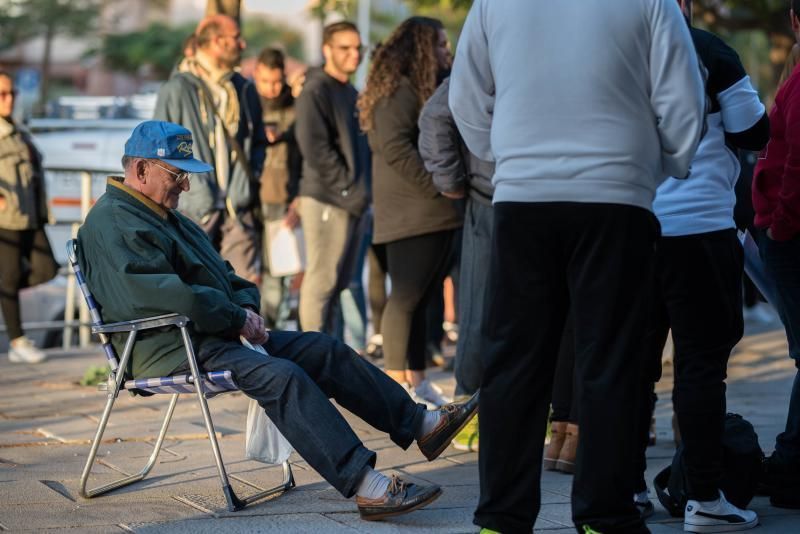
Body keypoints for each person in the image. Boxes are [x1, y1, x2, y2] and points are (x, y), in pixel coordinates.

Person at [76, 120, 479, 521]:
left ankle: (421, 424)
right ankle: (366, 485)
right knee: (281, 376)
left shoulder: (162, 214)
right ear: (141, 170)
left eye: (187, 176)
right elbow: (162, 295)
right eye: (178, 175)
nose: (186, 186)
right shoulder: (113, 221)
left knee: (323, 349)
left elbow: (227, 274)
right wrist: (235, 316)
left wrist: (246, 310)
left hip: (209, 334)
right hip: (169, 347)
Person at [449, 0, 706, 532]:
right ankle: (605, 515)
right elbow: (683, 99)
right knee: (610, 362)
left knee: (513, 364)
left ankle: (502, 516)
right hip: (617, 198)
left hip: (524, 197)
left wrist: (507, 159)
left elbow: (466, 96)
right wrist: (659, 167)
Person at [631, 1, 769, 530]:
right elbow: (754, 133)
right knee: (702, 367)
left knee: (631, 366)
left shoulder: (613, 51)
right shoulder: (710, 49)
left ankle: (625, 488)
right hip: (701, 229)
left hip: (633, 229)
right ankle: (705, 498)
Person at [358, 17, 461, 408]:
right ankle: (395, 384)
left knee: (420, 300)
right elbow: (396, 148)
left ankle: (416, 380)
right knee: (403, 299)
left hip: (432, 214)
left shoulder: (422, 87)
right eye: (438, 45)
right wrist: (438, 186)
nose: (444, 52)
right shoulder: (396, 92)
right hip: (410, 214)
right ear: (418, 48)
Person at [154, 14, 266, 283]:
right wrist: (186, 196)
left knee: (244, 296)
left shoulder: (242, 88)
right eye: (236, 38)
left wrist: (246, 189)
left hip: (237, 212)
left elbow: (258, 143)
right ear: (217, 41)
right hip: (195, 212)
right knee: (199, 294)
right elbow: (159, 149)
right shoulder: (178, 88)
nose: (242, 44)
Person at [418, 75, 495, 448]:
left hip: (531, 191)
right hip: (493, 194)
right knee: (480, 305)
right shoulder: (493, 41)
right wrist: (452, 180)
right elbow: (435, 116)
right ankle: (468, 409)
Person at [751, 0, 800, 511]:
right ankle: (789, 466)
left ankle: (788, 464)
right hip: (785, 233)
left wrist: (781, 226)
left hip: (787, 232)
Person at [294, 21, 370, 335]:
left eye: (358, 48)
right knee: (321, 281)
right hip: (327, 198)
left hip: (351, 200)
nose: (355, 54)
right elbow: (315, 147)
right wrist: (348, 190)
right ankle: (313, 356)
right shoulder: (316, 89)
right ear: (327, 49)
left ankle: (333, 357)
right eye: (345, 48)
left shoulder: (350, 90)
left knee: (339, 284)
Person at [0, 70, 58, 364]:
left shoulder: (17, 130)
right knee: (8, 279)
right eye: (2, 95)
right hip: (6, 218)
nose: (9, 99)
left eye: (12, 93)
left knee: (47, 269)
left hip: (32, 215)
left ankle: (4, 291)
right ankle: (17, 341)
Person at [252, 48, 302, 328]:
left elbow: (306, 158)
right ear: (256, 75)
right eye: (265, 82)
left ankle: (272, 331)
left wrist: (298, 199)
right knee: (249, 273)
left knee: (277, 275)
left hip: (281, 197)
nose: (271, 89)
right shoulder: (248, 103)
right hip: (248, 199)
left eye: (277, 82)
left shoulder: (295, 108)